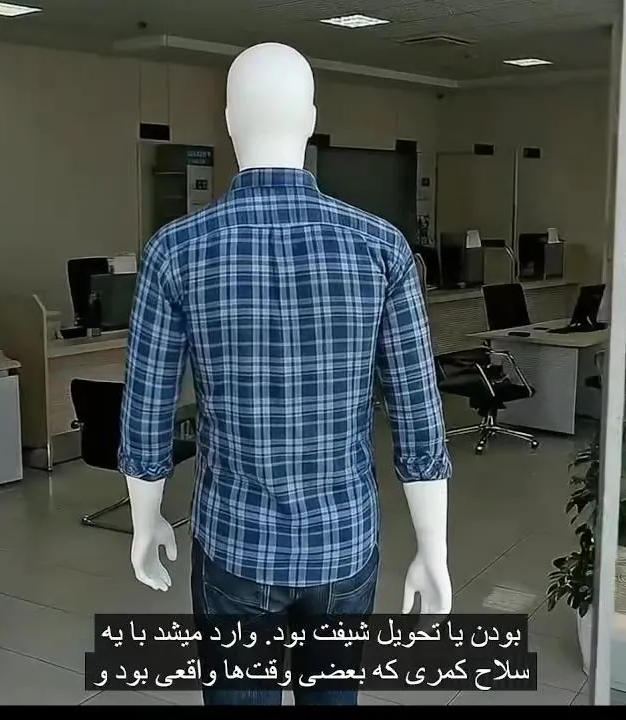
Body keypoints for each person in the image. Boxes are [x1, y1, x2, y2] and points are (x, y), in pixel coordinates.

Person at [117, 42, 453, 706]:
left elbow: (146, 408)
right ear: (311, 120)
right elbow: (419, 413)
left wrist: (145, 521)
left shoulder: (175, 251)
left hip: (234, 543)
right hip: (344, 544)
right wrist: (432, 548)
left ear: (229, 121)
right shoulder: (381, 247)